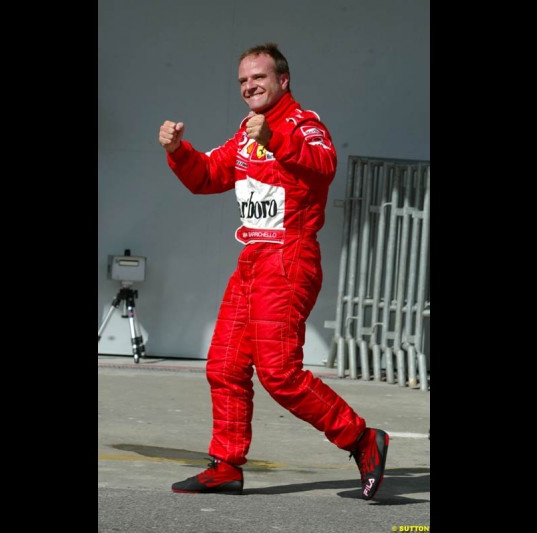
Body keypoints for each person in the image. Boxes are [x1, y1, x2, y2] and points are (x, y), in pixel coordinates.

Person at [158, 43, 389, 500]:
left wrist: (275, 139)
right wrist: (180, 150)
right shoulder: (248, 131)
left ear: (283, 80)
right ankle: (225, 465)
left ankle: (361, 439)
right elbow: (207, 176)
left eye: (258, 78)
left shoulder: (303, 123)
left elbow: (324, 165)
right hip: (251, 262)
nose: (249, 87)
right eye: (243, 81)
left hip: (289, 259)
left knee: (280, 373)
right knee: (223, 365)